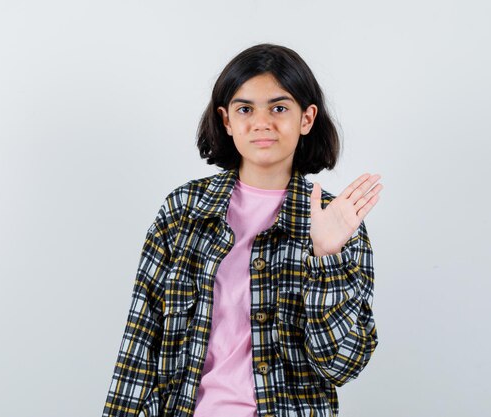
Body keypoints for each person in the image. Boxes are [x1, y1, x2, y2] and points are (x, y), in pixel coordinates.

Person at [102, 43, 382, 417]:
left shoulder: (339, 220)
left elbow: (341, 365)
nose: (262, 122)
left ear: (307, 118)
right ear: (226, 119)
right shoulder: (183, 210)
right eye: (245, 108)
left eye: (279, 108)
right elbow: (139, 344)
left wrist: (325, 256)